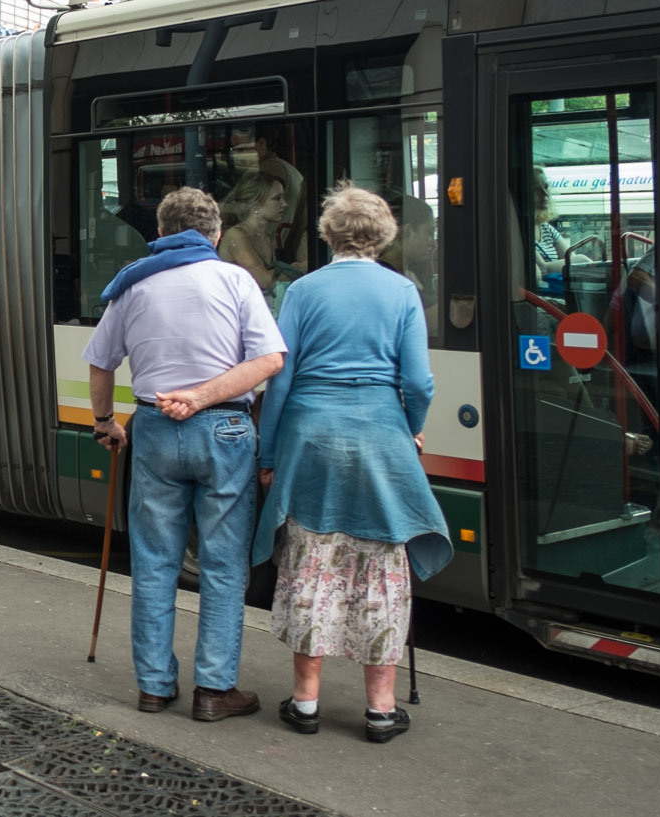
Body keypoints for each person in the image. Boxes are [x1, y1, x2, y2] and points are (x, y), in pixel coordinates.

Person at [239, 184, 451, 744]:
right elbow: (418, 381)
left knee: (312, 564)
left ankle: (305, 704)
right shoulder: (402, 291)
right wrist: (407, 427)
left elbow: (278, 378)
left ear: (329, 233)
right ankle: (380, 711)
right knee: (381, 568)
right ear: (383, 236)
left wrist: (268, 453)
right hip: (381, 435)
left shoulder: (304, 290)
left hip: (310, 440)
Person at [81, 187, 287, 721]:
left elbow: (101, 363)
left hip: (151, 429)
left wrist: (105, 423)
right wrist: (203, 396)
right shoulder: (235, 280)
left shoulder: (133, 284)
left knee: (153, 561)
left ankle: (154, 686)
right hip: (224, 432)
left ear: (163, 233)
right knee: (221, 566)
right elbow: (268, 361)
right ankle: (215, 690)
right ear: (215, 234)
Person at [218, 172, 299, 299]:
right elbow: (266, 281)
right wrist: (301, 267)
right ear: (255, 204)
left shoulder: (267, 236)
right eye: (277, 198)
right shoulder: (236, 236)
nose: (284, 203)